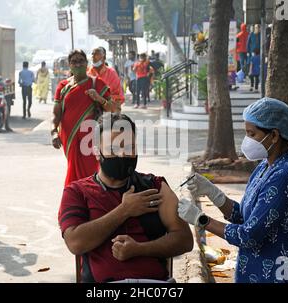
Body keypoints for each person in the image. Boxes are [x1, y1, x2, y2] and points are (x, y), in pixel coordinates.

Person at [178, 98, 288, 283]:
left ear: (274, 136)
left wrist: (201, 220)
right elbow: (244, 217)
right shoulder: (265, 167)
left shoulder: (284, 176)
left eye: (252, 134)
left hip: (281, 274)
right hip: (257, 272)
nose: (247, 141)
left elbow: (249, 235)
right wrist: (213, 193)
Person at [59, 113, 193, 282]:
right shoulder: (77, 192)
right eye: (114, 148)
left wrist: (139, 249)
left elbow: (185, 239)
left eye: (129, 147)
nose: (123, 154)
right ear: (96, 151)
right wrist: (124, 210)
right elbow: (75, 243)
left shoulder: (155, 187)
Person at [52, 49, 114, 186]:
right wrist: (54, 132)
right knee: (73, 169)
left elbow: (112, 108)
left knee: (91, 172)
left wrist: (98, 98)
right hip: (69, 138)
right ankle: (75, 201)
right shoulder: (63, 87)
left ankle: (90, 201)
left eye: (81, 61)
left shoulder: (97, 84)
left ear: (87, 63)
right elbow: (56, 115)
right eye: (74, 62)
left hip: (91, 138)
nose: (78, 64)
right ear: (69, 65)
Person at [88, 47, 124, 112]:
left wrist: (101, 99)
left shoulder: (111, 73)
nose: (93, 56)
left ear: (104, 58)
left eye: (97, 54)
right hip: (91, 114)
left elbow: (118, 96)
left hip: (108, 113)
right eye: (92, 54)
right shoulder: (87, 72)